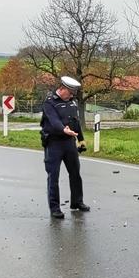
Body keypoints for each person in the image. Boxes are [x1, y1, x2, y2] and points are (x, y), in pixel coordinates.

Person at [40, 76, 89, 219]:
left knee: (75, 173)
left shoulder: (72, 103)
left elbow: (76, 122)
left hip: (69, 143)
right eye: (70, 92)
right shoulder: (50, 102)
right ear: (62, 89)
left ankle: (77, 202)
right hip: (54, 143)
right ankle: (55, 208)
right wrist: (63, 129)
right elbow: (54, 121)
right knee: (53, 176)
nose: (72, 95)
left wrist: (81, 139)